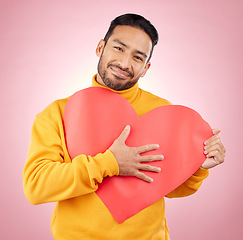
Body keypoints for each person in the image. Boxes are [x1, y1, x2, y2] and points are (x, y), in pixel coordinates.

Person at [23, 13, 226, 240]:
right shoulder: (58, 113)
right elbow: (36, 186)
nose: (125, 63)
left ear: (146, 68)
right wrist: (109, 163)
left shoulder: (162, 112)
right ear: (101, 47)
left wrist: (198, 166)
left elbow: (170, 187)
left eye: (137, 57)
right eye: (119, 48)